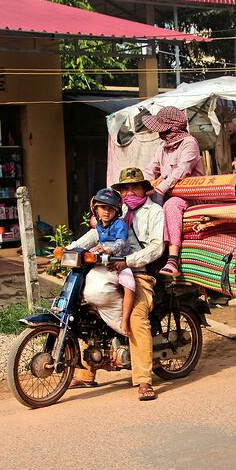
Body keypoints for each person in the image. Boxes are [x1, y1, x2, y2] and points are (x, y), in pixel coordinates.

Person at [69, 169, 164, 401]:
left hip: (139, 273)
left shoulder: (155, 212)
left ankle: (143, 380)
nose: (129, 192)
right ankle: (85, 372)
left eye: (135, 187)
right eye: (124, 189)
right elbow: (95, 236)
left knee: (135, 318)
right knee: (82, 308)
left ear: (144, 189)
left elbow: (156, 247)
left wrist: (127, 261)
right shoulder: (113, 213)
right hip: (109, 269)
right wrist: (69, 249)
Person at [141, 106, 203, 276]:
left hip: (188, 197)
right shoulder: (162, 146)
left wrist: (160, 189)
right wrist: (137, 186)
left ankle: (173, 259)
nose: (159, 133)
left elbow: (182, 170)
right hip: (165, 194)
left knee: (171, 205)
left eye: (163, 129)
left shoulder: (189, 143)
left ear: (172, 129)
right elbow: (151, 169)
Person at [88, 188, 135, 336]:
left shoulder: (119, 224)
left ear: (117, 212)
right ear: (96, 210)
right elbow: (100, 241)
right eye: (102, 208)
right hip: (106, 262)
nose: (106, 212)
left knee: (129, 284)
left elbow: (121, 242)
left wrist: (109, 249)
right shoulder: (99, 226)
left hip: (121, 261)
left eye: (110, 209)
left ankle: (125, 320)